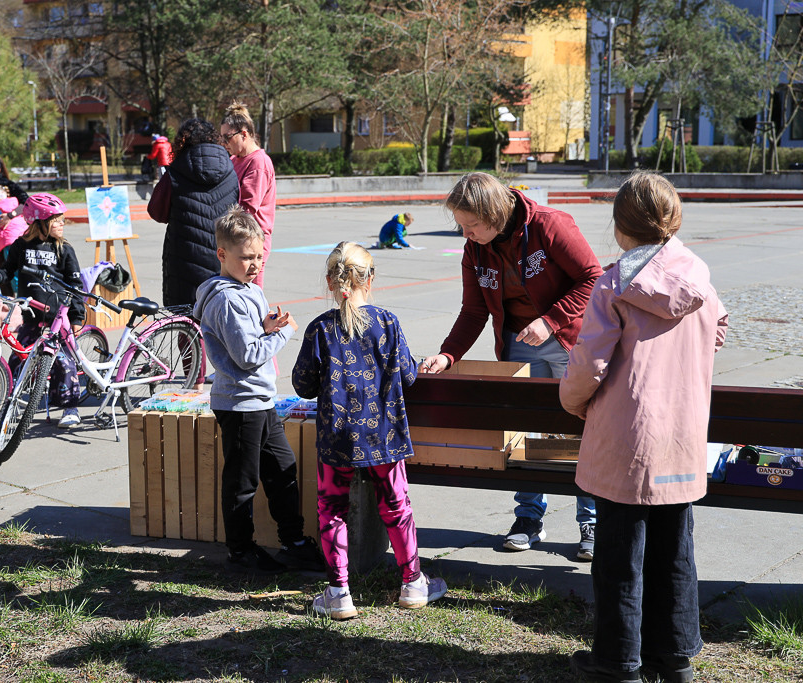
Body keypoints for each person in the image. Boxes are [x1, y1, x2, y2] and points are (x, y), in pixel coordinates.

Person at [561, 172, 728, 683]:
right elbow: (719, 327)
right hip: (682, 436)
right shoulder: (697, 275)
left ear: (620, 226)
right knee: (675, 552)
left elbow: (589, 364)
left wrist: (572, 401)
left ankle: (617, 664)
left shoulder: (614, 284)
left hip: (626, 440)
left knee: (619, 556)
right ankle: (673, 659)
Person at [420, 172, 603, 560]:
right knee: (525, 433)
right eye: (461, 225)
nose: (466, 233)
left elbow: (592, 278)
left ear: (495, 214)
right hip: (521, 346)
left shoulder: (550, 225)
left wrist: (551, 320)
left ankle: (591, 522)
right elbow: (474, 311)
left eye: (471, 224)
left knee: (583, 430)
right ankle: (529, 517)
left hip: (571, 341)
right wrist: (448, 354)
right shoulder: (475, 250)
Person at [292, 241, 448, 620]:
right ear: (370, 278)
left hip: (337, 439)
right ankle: (412, 582)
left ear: (330, 281)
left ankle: (339, 593)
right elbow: (408, 375)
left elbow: (302, 384)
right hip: (383, 437)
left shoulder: (320, 329)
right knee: (396, 506)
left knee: (331, 510)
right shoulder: (388, 322)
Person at [192, 205, 323, 574]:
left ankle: (294, 543)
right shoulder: (227, 299)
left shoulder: (247, 290)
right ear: (222, 254)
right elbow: (247, 356)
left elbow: (248, 340)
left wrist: (265, 328)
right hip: (240, 403)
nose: (254, 264)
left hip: (260, 399)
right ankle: (241, 551)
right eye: (245, 257)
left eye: (259, 256)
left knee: (282, 469)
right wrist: (284, 333)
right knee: (242, 482)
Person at [0, 193, 85, 429]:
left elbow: (75, 285)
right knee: (17, 360)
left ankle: (70, 407)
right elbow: (8, 269)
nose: (62, 224)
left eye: (62, 219)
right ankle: (10, 403)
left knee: (63, 363)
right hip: (31, 316)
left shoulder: (64, 249)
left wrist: (77, 316)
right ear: (40, 222)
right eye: (57, 220)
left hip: (57, 319)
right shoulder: (21, 245)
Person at [148, 117, 239, 307]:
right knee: (219, 315)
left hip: (184, 259)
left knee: (186, 318)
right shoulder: (231, 171)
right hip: (223, 257)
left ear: (183, 141)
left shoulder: (176, 171)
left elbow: (156, 211)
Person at [220, 102, 276, 288]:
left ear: (244, 134)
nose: (224, 143)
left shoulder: (258, 162)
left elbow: (247, 209)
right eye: (221, 138)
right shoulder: (235, 159)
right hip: (235, 240)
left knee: (250, 296)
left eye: (227, 137)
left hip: (251, 244)